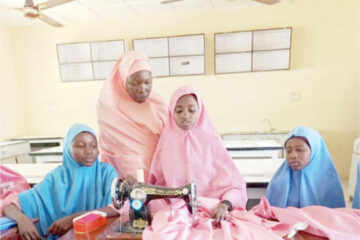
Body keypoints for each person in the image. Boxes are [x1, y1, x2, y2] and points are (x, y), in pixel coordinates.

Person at [147, 86, 248, 223]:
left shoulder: (212, 142)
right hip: (177, 217)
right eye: (179, 110)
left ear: (200, 110)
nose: (185, 115)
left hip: (214, 214)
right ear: (171, 113)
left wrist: (225, 205)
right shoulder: (165, 145)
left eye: (191, 110)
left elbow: (236, 186)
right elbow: (153, 186)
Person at [3, 123, 120, 239]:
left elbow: (116, 208)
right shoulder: (55, 178)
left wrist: (73, 219)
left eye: (93, 146)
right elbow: (10, 205)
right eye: (80, 145)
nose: (89, 151)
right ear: (67, 149)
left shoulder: (106, 173)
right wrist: (22, 219)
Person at [97, 50, 168, 181]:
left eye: (147, 82)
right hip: (128, 183)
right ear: (123, 79)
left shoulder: (162, 106)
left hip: (163, 180)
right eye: (134, 83)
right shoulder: (109, 110)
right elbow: (111, 150)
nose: (142, 88)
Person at [266, 125, 345, 208]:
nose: (292, 156)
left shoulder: (329, 184)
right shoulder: (278, 184)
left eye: (300, 150)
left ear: (315, 151)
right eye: (288, 151)